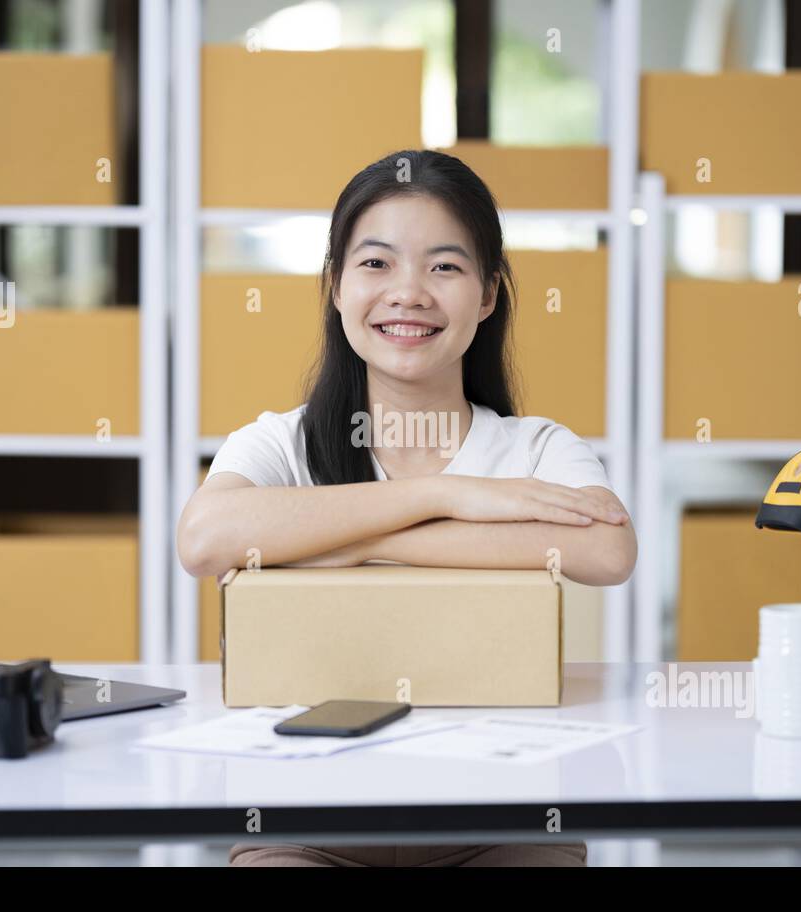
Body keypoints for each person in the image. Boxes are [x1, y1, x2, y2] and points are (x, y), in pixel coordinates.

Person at [177, 149, 637, 867]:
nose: (410, 293)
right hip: (305, 818)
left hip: (502, 817)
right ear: (334, 286)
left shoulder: (537, 448)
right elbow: (204, 540)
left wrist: (357, 545)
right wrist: (442, 496)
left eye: (445, 267)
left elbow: (607, 550)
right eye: (377, 264)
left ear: (488, 294)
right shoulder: (277, 443)